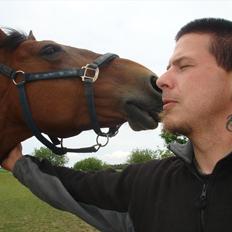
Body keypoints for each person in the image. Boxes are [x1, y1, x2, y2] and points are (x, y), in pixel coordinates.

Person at [2, 17, 232, 232]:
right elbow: (76, 188)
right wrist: (20, 164)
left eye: (184, 66)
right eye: (168, 67)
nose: (161, 80)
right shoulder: (145, 185)